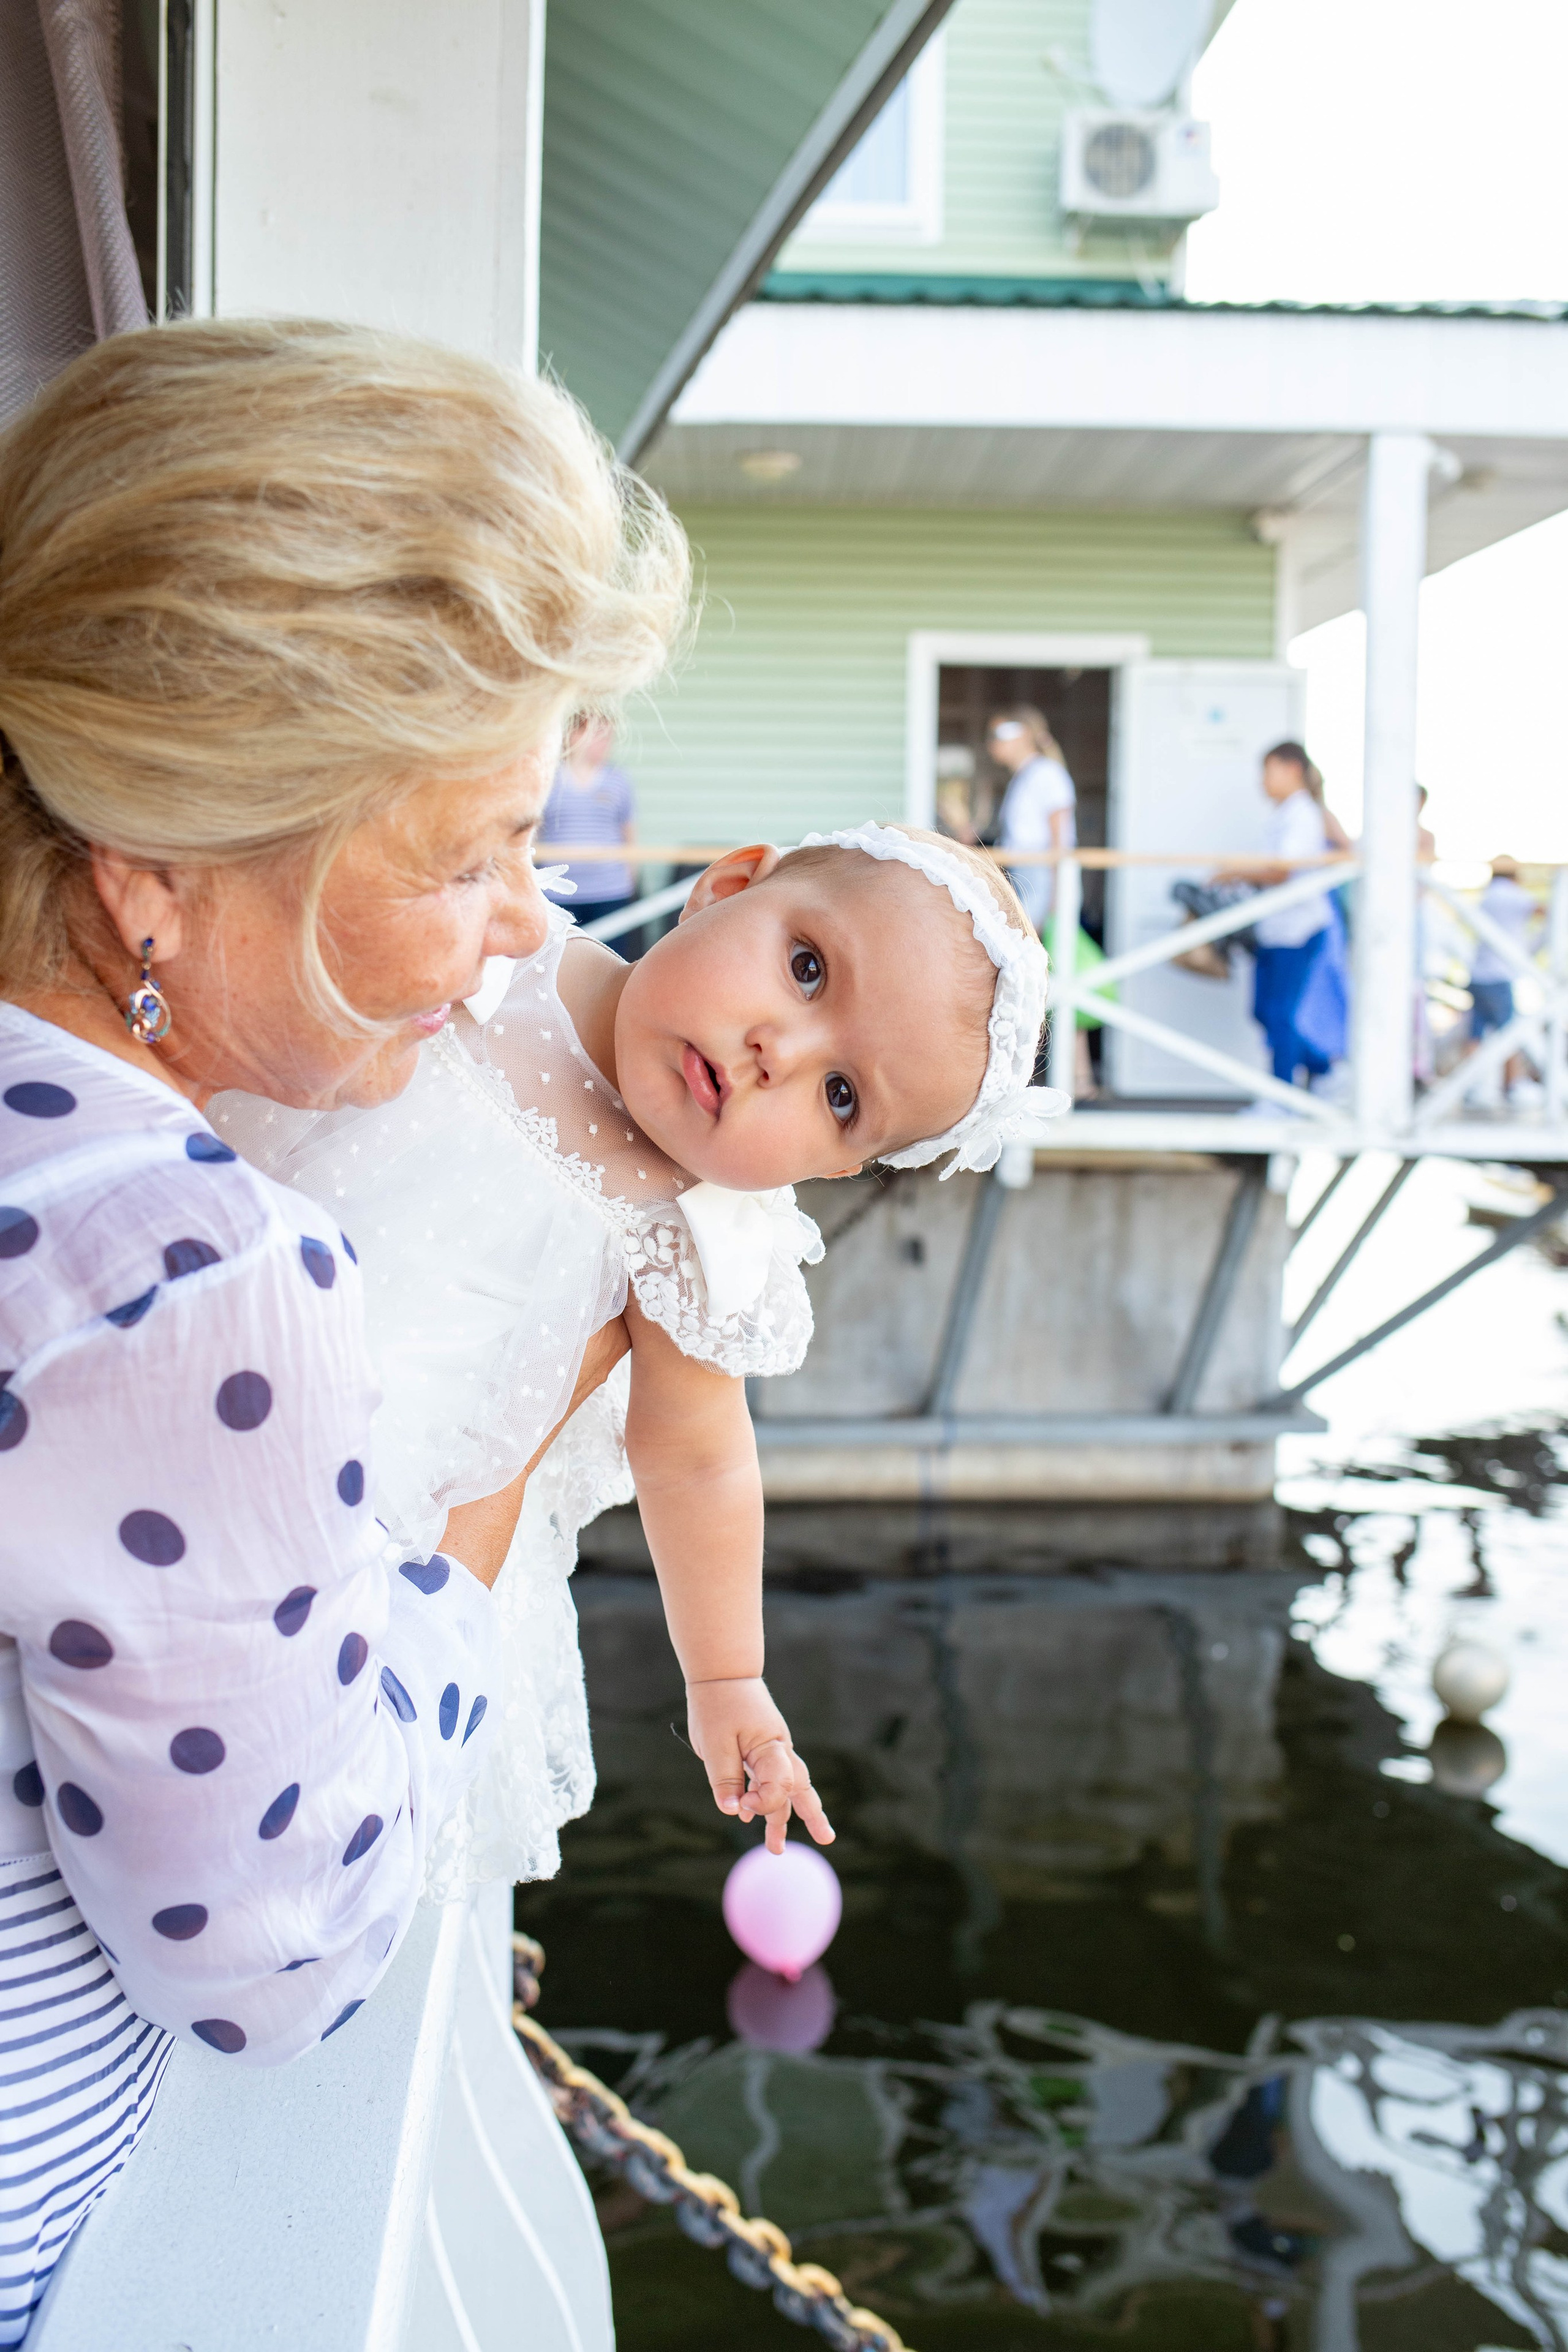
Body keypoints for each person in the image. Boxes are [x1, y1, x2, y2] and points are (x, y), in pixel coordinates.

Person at [0, 315, 687, 2329]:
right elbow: (269, 1956)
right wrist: (474, 1515)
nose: (527, 933)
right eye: (477, 854)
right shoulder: (178, 1272)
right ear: (166, 870)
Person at [218, 823, 1068, 1882]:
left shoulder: (692, 1229)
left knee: (261, 1786)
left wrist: (727, 1681)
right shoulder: (494, 951)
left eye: (841, 1096)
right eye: (807, 969)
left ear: (842, 1169)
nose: (780, 1053)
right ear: (724, 887)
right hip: (207, 1320)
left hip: (381, 1538)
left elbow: (697, 1458)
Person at [1214, 741, 1348, 1095]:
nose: (1263, 782)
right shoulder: (1285, 813)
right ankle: (1321, 1069)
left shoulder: (1303, 813)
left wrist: (1235, 871)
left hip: (1298, 929)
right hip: (1275, 929)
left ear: (1291, 770)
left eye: (1268, 772)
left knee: (1280, 1014)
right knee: (1264, 1012)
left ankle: (1283, 1096)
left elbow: (1283, 871)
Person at [540, 713, 639, 932]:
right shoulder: (548, 778)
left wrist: (632, 877)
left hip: (610, 889)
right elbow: (532, 830)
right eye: (599, 736)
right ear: (575, 736)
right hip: (558, 891)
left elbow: (628, 830)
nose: (605, 744)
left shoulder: (618, 779)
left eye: (608, 737)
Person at [987, 706, 1076, 935]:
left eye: (998, 736)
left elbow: (1061, 835)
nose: (992, 744)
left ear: (1024, 735)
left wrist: (1057, 892)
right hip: (1023, 873)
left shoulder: (1047, 773)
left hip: (1042, 875)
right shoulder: (1023, 777)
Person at [1465, 856, 1541, 1098]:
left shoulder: (1487, 896)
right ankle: (1513, 1085)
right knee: (1510, 1033)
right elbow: (1543, 910)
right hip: (1499, 974)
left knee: (1476, 1034)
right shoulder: (1510, 894)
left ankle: (1472, 1086)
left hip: (1479, 972)